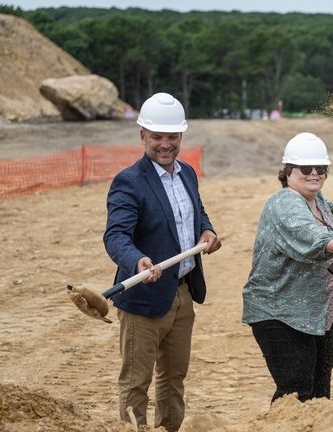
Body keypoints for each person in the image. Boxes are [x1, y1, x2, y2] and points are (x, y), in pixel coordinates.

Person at [103, 92, 222, 431]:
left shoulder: (186, 174)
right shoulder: (129, 182)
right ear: (142, 135)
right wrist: (136, 259)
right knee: (135, 384)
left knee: (173, 379)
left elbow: (196, 213)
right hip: (143, 300)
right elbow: (116, 237)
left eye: (172, 136)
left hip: (182, 293)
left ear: (181, 136)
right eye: (157, 136)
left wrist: (207, 232)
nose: (165, 144)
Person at [242, 132, 333, 403]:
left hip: (315, 314)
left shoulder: (314, 200)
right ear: (288, 172)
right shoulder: (285, 203)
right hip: (281, 314)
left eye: (322, 169)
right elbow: (304, 233)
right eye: (306, 169)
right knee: (295, 394)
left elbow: (321, 204)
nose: (315, 173)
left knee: (319, 394)